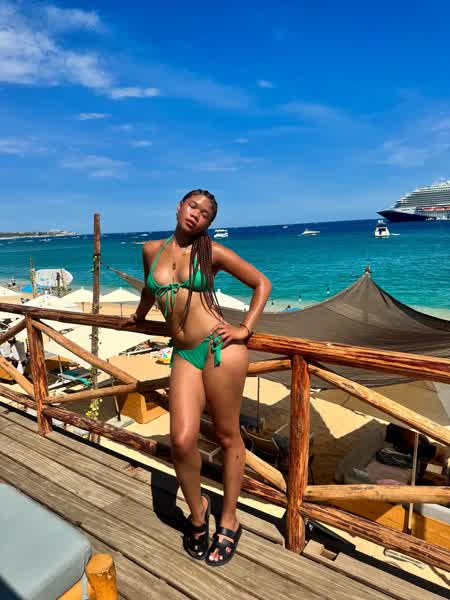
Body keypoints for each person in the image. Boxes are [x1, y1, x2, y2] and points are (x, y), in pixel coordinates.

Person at [125, 190, 271, 566]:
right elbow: (150, 288)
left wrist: (245, 329)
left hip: (220, 348)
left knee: (226, 434)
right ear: (179, 207)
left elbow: (261, 283)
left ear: (209, 223)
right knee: (181, 439)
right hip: (184, 353)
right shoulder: (151, 250)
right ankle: (197, 511)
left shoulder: (212, 252)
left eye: (205, 214)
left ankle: (230, 518)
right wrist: (139, 316)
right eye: (192, 207)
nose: (196, 215)